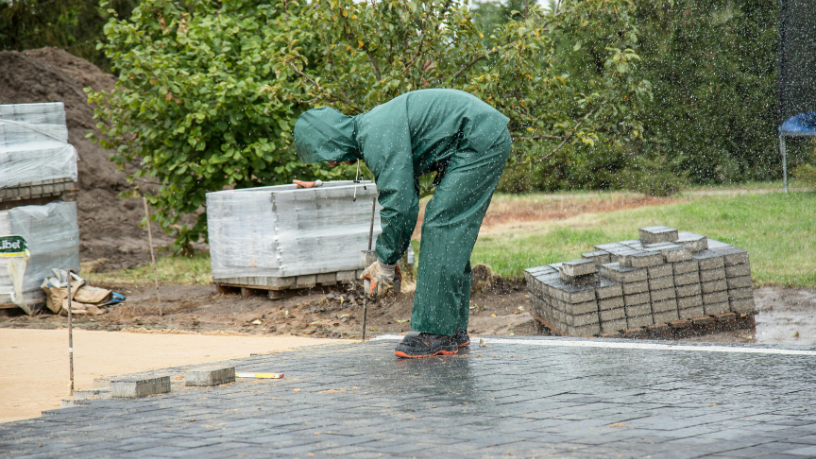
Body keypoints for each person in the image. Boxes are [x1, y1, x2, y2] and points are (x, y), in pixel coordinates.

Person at [294, 88, 511, 358]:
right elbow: (405, 193)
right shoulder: (371, 129)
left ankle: (435, 333)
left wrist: (385, 262)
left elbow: (400, 206)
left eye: (325, 154)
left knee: (442, 226)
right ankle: (451, 328)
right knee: (448, 231)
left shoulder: (375, 136)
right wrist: (391, 256)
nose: (330, 162)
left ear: (331, 139)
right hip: (480, 135)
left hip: (478, 139)